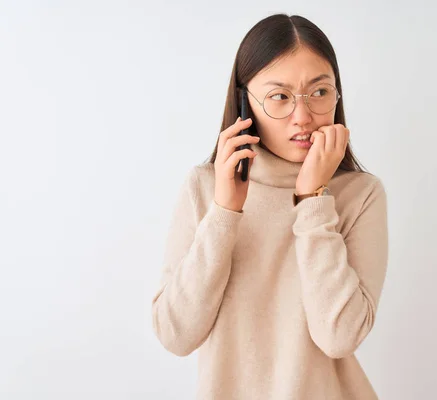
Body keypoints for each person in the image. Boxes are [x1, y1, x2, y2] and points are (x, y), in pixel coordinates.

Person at [151, 13, 389, 400]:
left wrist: (313, 199)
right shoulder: (205, 187)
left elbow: (339, 336)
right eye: (280, 96)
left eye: (320, 92)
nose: (304, 116)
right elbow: (175, 334)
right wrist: (225, 212)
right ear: (246, 101)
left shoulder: (359, 195)